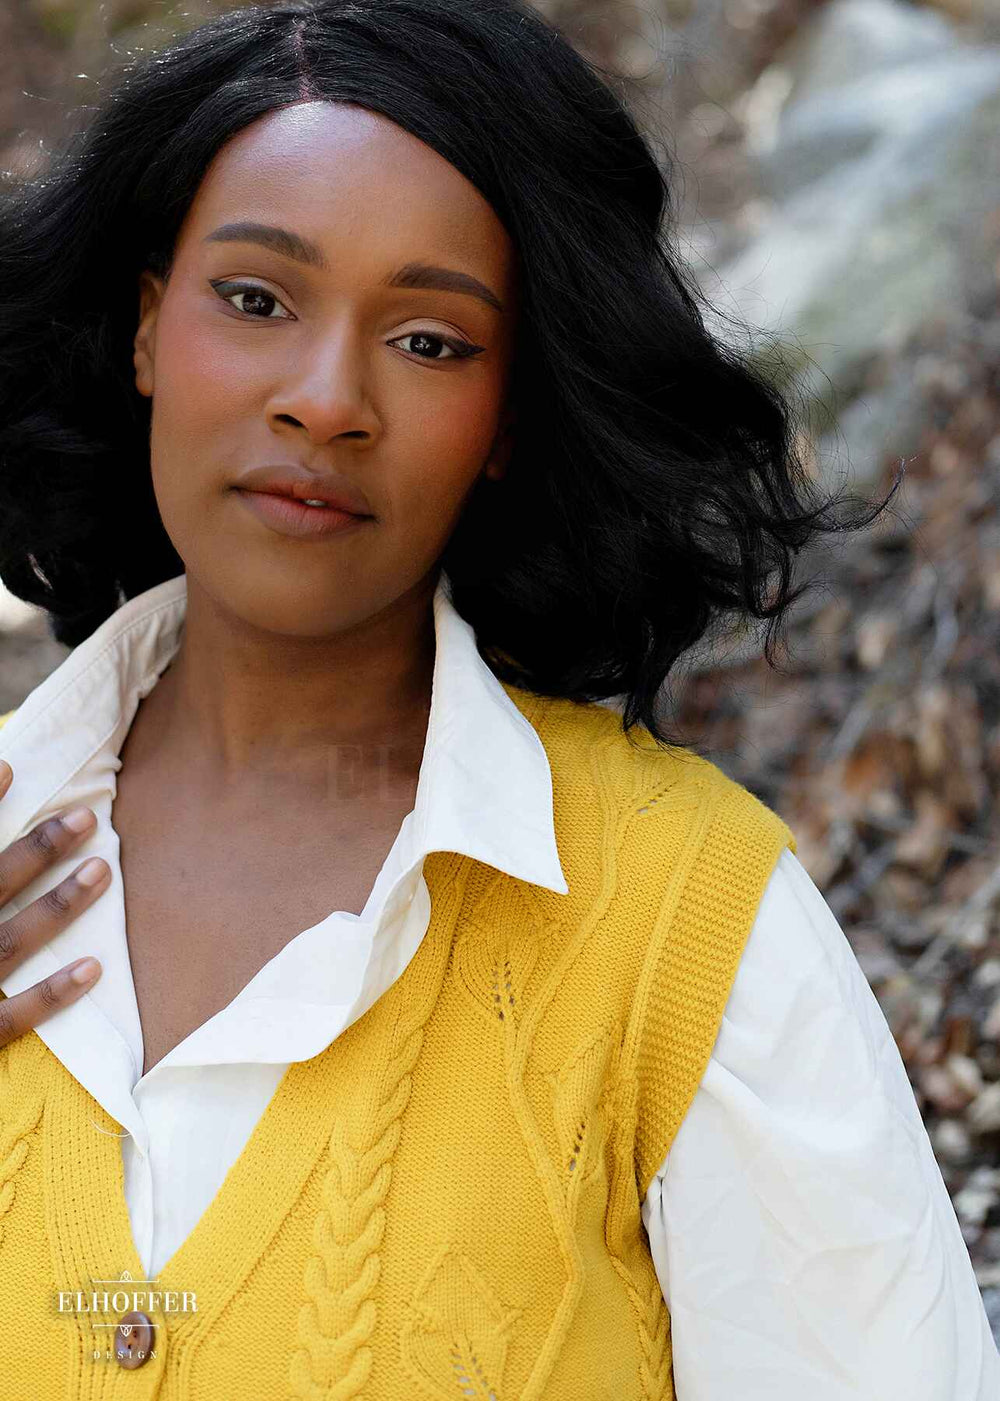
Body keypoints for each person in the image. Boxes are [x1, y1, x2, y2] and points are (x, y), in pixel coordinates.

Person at [0, 0, 993, 1395]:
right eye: (257, 299)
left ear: (509, 418)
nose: (327, 399)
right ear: (149, 326)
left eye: (431, 341)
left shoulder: (687, 924)